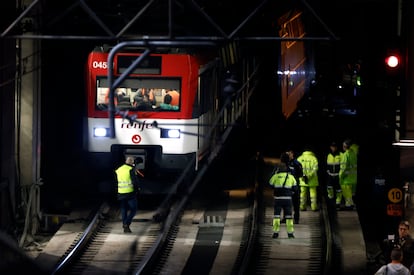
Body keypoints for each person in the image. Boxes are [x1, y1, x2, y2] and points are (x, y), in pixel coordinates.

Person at [268, 153, 298, 239]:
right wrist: (291, 192)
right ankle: (290, 233)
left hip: (278, 199)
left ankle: (275, 233)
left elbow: (270, 184)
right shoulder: (290, 176)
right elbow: (295, 188)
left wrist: (276, 189)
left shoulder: (276, 176)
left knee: (277, 216)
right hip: (288, 199)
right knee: (289, 216)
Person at [115, 156, 140, 233]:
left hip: (121, 192)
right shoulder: (131, 169)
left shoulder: (119, 169)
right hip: (130, 193)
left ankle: (125, 226)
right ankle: (126, 223)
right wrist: (137, 189)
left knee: (123, 209)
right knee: (134, 209)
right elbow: (134, 181)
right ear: (132, 163)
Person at [339, 139, 357, 210]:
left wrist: (340, 176)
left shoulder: (345, 155)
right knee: (350, 194)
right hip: (353, 178)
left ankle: (348, 205)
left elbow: (343, 168)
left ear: (344, 146)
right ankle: (351, 204)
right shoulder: (353, 154)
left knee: (347, 194)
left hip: (346, 179)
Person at [286, 148, 303, 224]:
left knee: (296, 204)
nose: (288, 155)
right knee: (286, 203)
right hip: (287, 186)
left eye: (289, 153)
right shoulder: (286, 163)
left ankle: (296, 219)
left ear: (292, 153)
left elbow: (300, 174)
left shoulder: (297, 163)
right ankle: (286, 218)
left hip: (295, 186)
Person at [326, 141, 342, 209]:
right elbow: (327, 166)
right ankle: (331, 202)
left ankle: (338, 203)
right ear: (330, 147)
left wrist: (340, 174)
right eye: (332, 147)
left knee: (338, 190)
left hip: (338, 176)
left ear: (336, 147)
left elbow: (342, 165)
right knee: (329, 188)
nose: (333, 148)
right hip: (330, 175)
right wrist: (328, 172)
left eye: (334, 147)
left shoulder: (341, 155)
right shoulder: (329, 155)